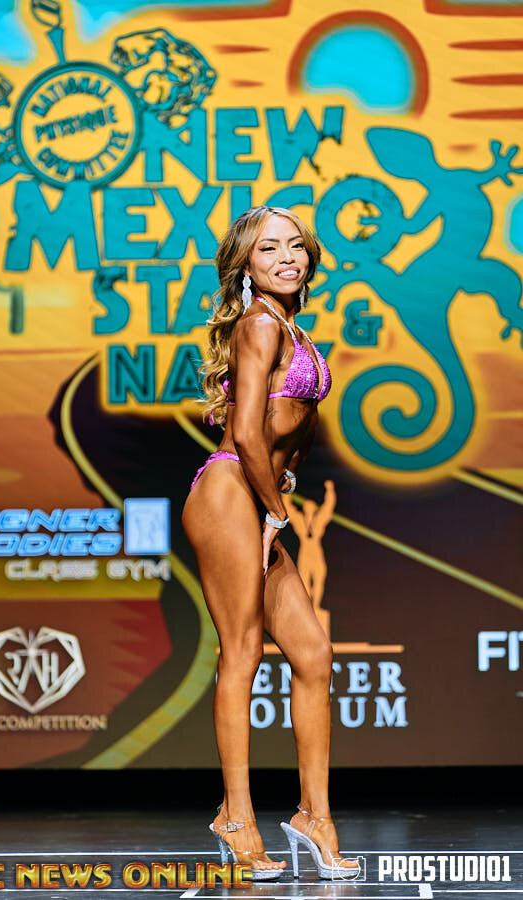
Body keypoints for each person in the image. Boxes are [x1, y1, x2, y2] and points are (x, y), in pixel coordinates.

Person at [181, 206, 360, 881]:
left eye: (295, 246)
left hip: (258, 495)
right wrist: (276, 513)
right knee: (244, 652)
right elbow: (249, 434)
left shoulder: (289, 325)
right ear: (246, 266)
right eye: (268, 249)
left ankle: (315, 816)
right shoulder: (259, 324)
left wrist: (276, 499)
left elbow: (288, 431)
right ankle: (237, 817)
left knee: (312, 653)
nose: (287, 257)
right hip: (232, 490)